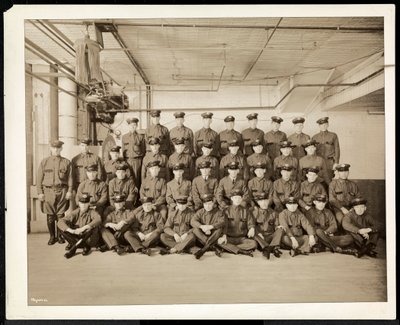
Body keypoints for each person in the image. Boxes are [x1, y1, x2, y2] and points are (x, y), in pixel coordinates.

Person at [37, 140, 73, 245]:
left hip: (62, 191)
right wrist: (40, 192)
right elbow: (39, 178)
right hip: (48, 191)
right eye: (54, 148)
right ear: (50, 148)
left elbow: (70, 178)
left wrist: (70, 191)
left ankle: (60, 236)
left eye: (58, 148)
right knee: (50, 216)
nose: (56, 150)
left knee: (61, 215)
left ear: (61, 149)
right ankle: (52, 237)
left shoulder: (67, 162)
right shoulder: (44, 162)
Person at [58, 193, 102, 259]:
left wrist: (84, 227)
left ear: (89, 203)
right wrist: (72, 231)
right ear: (78, 203)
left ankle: (74, 248)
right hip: (78, 236)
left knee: (91, 229)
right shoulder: (76, 212)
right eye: (82, 203)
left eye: (86, 203)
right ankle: (85, 246)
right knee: (63, 230)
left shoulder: (92, 212)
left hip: (88, 238)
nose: (84, 205)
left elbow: (98, 219)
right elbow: (60, 221)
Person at [217, 189, 257, 257]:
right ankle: (242, 250)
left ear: (241, 199)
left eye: (239, 198)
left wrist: (252, 228)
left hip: (242, 238)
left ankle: (231, 249)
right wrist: (223, 235)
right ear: (232, 198)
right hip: (229, 238)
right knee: (219, 242)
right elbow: (223, 225)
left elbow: (250, 223)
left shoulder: (246, 210)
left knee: (254, 243)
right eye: (235, 198)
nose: (237, 200)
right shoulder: (226, 211)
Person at [191, 193, 226, 259]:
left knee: (219, 229)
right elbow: (193, 221)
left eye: (209, 204)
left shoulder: (218, 212)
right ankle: (214, 247)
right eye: (205, 204)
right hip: (203, 236)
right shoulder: (200, 212)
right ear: (203, 204)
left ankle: (203, 250)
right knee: (195, 229)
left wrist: (211, 227)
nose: (208, 206)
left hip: (213, 235)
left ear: (213, 203)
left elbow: (222, 222)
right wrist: (202, 226)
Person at [252, 191, 284, 259]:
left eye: (266, 201)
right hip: (260, 237)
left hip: (270, 237)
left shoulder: (273, 213)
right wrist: (258, 233)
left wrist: (278, 227)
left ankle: (268, 249)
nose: (264, 203)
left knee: (280, 229)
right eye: (261, 201)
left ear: (268, 201)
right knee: (252, 232)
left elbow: (276, 225)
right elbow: (252, 225)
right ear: (258, 203)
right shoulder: (254, 213)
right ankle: (271, 248)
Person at [121, 117, 146, 188]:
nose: (132, 126)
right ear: (128, 126)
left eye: (134, 125)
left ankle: (137, 197)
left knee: (137, 179)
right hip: (127, 161)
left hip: (137, 161)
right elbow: (123, 151)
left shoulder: (140, 137)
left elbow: (143, 151)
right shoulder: (124, 137)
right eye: (131, 125)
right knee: (128, 178)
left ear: (137, 126)